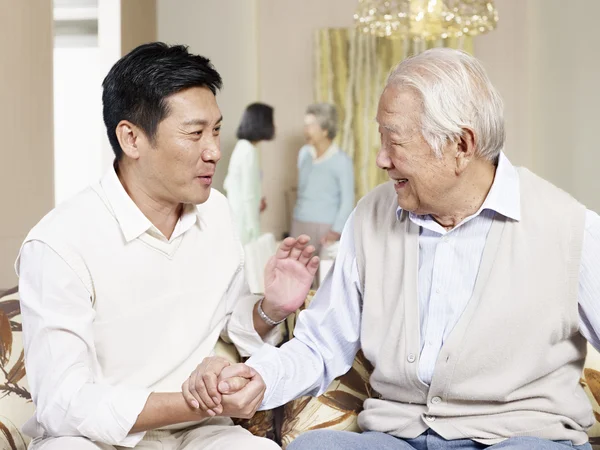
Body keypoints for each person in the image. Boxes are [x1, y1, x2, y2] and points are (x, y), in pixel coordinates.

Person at [183, 48, 600, 450]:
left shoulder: (569, 228)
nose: (381, 159)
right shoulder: (371, 216)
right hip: (399, 437)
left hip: (524, 439)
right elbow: (321, 343)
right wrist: (257, 378)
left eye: (394, 141)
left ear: (461, 145)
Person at [15, 42, 319, 450]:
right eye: (195, 134)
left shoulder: (217, 212)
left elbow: (230, 324)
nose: (214, 151)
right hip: (92, 438)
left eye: (215, 130)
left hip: (200, 432)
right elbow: (63, 402)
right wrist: (194, 402)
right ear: (132, 139)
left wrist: (271, 309)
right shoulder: (58, 243)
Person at [291, 103, 354, 255]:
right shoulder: (304, 154)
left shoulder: (341, 161)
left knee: (323, 275)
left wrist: (336, 231)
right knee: (295, 273)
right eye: (305, 125)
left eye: (310, 125)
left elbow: (347, 201)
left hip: (326, 228)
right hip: (299, 223)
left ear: (325, 130)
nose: (305, 130)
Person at [224, 103, 275, 245]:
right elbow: (248, 195)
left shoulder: (242, 147)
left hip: (238, 216)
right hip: (244, 222)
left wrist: (258, 199)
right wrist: (254, 229)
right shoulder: (248, 151)